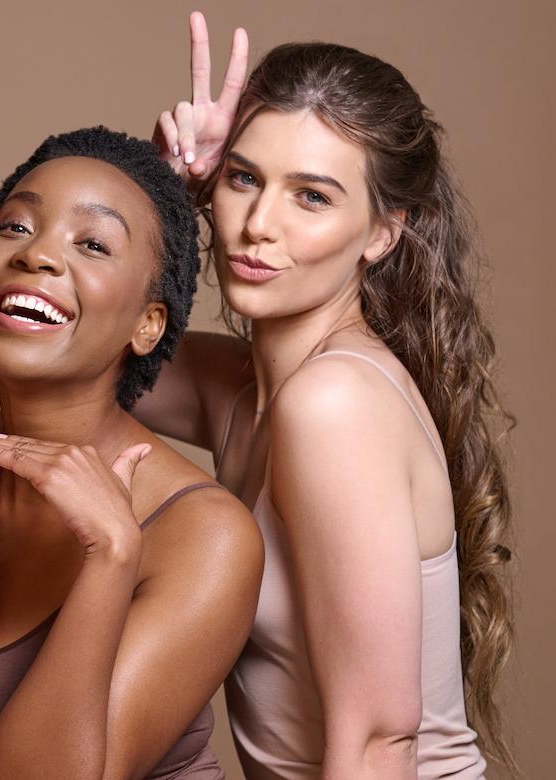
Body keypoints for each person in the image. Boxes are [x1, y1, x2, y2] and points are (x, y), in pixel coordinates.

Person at [141, 13, 514, 778]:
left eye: (311, 197)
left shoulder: (334, 403)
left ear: (383, 233)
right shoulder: (241, 391)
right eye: (243, 178)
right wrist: (158, 194)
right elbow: (14, 327)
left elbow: (382, 742)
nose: (257, 225)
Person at [0, 127, 262, 779]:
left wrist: (111, 556)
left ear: (148, 325)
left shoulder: (204, 534)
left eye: (93, 243)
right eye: (14, 227)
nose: (37, 255)